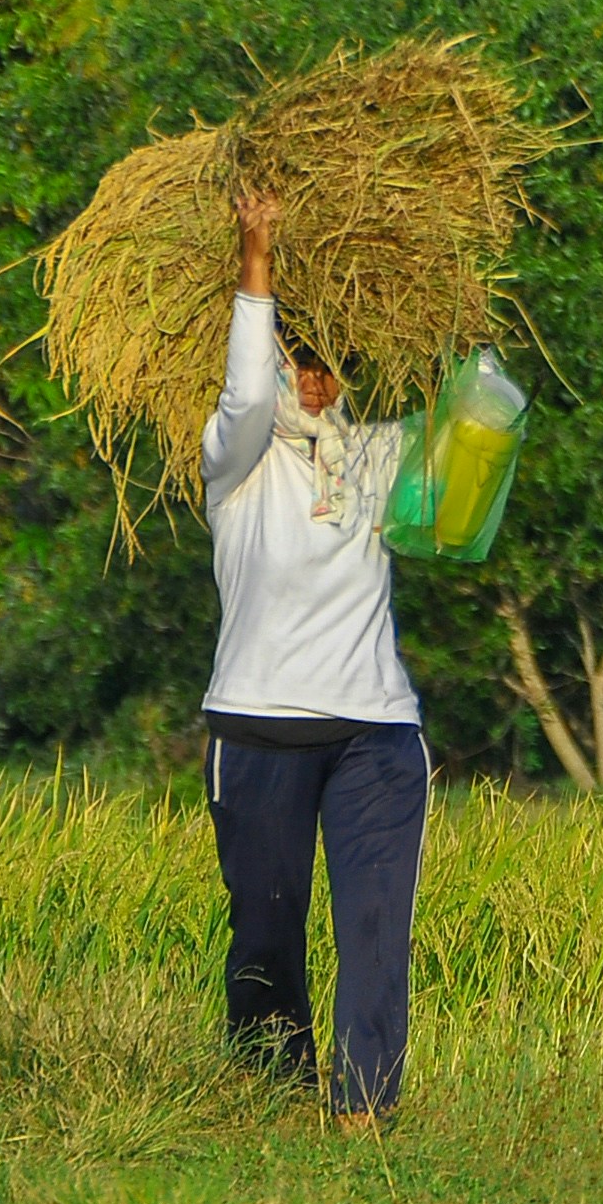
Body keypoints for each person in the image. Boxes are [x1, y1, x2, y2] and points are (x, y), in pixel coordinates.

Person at [199, 189, 431, 1125]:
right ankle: (268, 1093)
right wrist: (256, 260)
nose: (312, 382)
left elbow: (463, 482)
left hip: (375, 734)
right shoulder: (236, 461)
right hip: (258, 728)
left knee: (375, 930)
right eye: (300, 360)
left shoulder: (378, 459)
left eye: (327, 366)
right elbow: (246, 392)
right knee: (266, 928)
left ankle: (364, 1109)